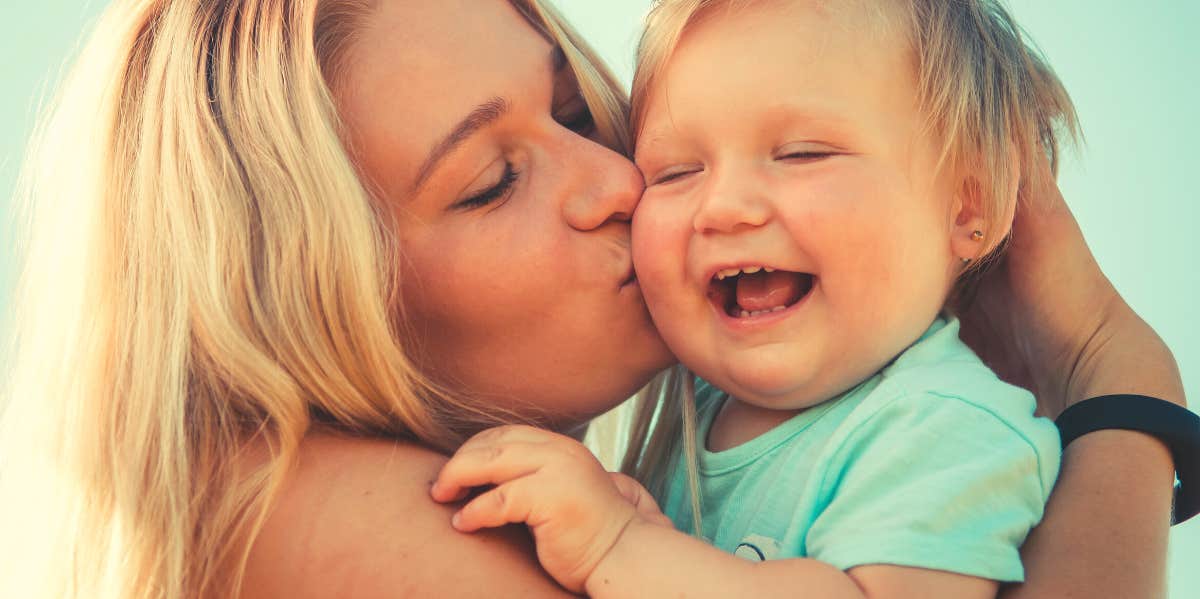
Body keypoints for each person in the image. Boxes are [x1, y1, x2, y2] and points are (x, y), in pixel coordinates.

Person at [0, 1, 1183, 598]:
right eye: (495, 179)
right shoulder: (319, 514)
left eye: (572, 112)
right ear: (311, 300)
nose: (621, 182)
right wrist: (1120, 385)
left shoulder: (826, 437)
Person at [427, 0, 1086, 596]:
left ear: (968, 205)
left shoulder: (948, 424)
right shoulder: (692, 404)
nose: (724, 207)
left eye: (801, 154)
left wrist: (620, 546)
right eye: (676, 172)